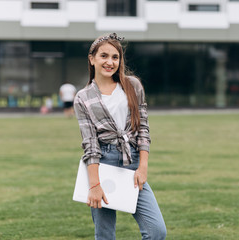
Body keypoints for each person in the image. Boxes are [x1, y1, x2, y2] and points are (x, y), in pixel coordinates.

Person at [73, 33, 166, 240]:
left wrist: (143, 166)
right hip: (102, 164)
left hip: (132, 162)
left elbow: (143, 129)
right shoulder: (83, 97)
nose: (110, 62)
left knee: (156, 231)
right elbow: (90, 144)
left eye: (115, 57)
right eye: (104, 56)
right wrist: (95, 185)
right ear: (92, 59)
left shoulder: (133, 86)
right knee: (105, 235)